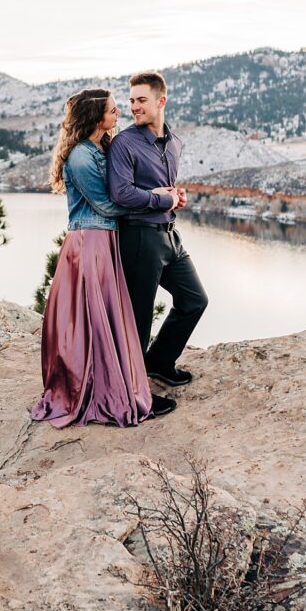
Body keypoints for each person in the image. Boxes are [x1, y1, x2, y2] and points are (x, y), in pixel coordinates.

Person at [30, 88, 180, 428]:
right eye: (113, 111)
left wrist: (155, 193)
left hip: (106, 240)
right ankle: (100, 389)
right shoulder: (81, 157)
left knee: (105, 318)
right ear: (97, 117)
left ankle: (115, 381)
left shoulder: (102, 147)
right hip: (89, 243)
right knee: (92, 319)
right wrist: (155, 199)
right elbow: (108, 205)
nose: (119, 115)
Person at [107, 70, 208, 387]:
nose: (134, 107)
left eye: (141, 100)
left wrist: (176, 195)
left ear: (161, 101)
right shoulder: (124, 144)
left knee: (194, 300)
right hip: (138, 238)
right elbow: (121, 193)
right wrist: (161, 200)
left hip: (169, 236)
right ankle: (132, 392)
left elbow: (164, 188)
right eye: (131, 101)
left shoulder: (175, 142)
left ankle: (160, 363)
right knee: (138, 321)